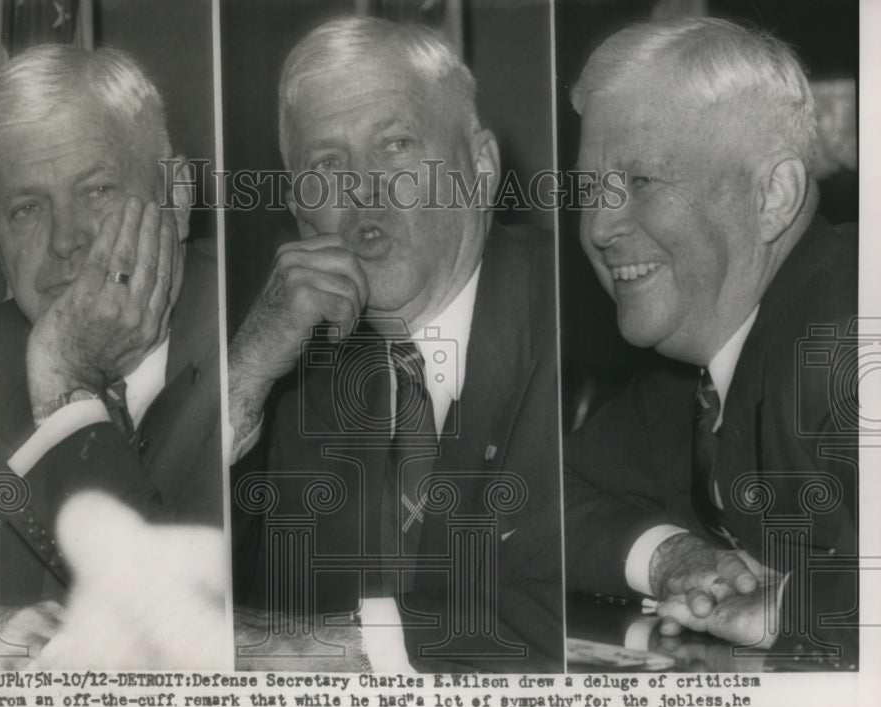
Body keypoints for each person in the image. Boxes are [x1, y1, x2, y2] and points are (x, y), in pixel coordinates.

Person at [228, 17, 562, 672]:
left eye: (396, 145)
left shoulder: (576, 318)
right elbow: (181, 600)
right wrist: (241, 381)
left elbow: (575, 608)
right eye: (327, 165)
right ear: (300, 212)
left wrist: (339, 648)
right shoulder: (293, 375)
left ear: (481, 168)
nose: (362, 187)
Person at [0, 45, 221, 667]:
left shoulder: (280, 352)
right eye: (26, 209)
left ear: (178, 197)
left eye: (98, 190)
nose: (65, 241)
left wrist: (63, 378)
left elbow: (190, 642)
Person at [564, 17, 857, 665]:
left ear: (772, 195)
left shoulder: (850, 333)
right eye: (589, 190)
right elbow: (530, 495)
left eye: (643, 181)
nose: (600, 227)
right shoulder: (685, 379)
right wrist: (673, 557)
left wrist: (793, 607)